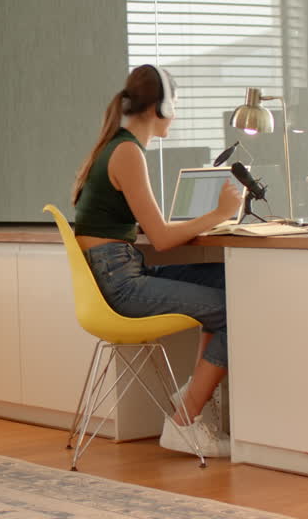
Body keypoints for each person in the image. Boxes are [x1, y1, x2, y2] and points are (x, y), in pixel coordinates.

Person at [72, 64, 242, 458]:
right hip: (122, 282)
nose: (177, 114)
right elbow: (163, 239)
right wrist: (219, 214)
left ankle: (195, 392)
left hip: (118, 269)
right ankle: (186, 417)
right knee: (236, 307)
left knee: (224, 280)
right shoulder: (128, 152)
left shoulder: (116, 146)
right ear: (161, 107)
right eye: (176, 104)